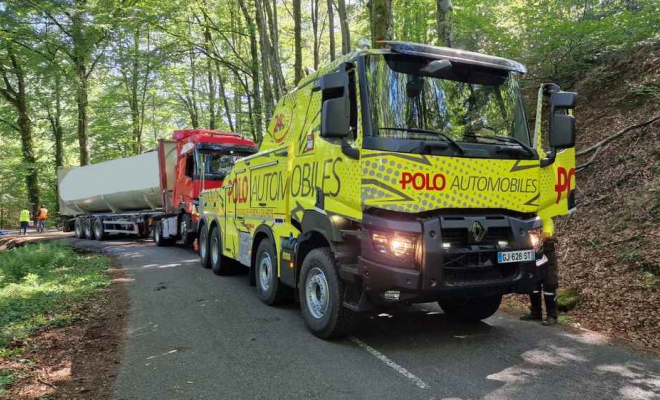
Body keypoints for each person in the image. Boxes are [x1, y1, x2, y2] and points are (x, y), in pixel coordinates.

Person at [520, 239, 559, 326]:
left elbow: (549, 230)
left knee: (549, 285)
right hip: (533, 251)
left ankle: (552, 316)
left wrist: (547, 238)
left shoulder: (547, 226)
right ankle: (535, 313)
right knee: (534, 285)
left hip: (547, 251)